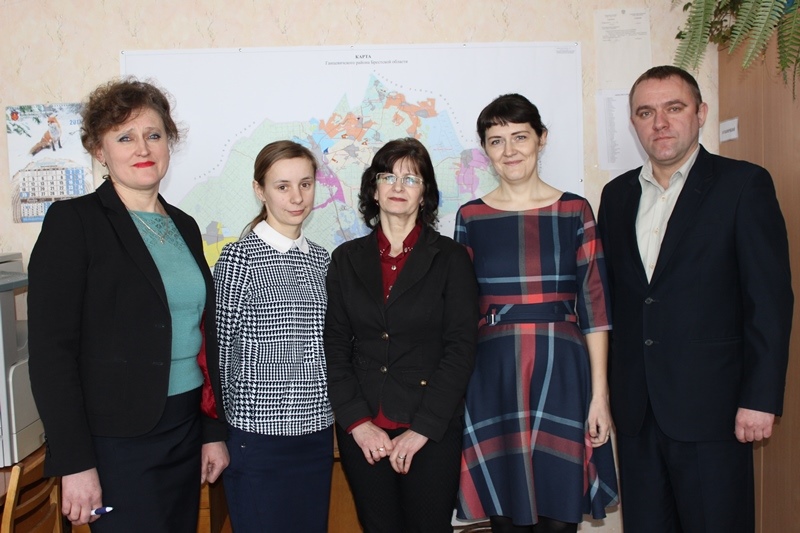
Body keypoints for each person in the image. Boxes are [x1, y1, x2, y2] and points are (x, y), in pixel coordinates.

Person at [27, 78, 229, 532]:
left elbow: (204, 335)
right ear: (99, 150)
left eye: (153, 134)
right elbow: (51, 355)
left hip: (185, 426)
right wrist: (75, 463)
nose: (142, 148)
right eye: (124, 137)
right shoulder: (73, 223)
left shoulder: (184, 225)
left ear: (169, 143)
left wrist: (212, 432)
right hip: (115, 442)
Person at [597, 65, 793, 533]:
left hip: (715, 412)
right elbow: (615, 299)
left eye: (674, 108)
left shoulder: (743, 185)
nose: (660, 123)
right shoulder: (616, 196)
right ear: (633, 122)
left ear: (701, 113)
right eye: (646, 112)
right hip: (637, 412)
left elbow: (769, 301)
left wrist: (761, 399)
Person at [455, 94, 619, 533]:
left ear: (541, 139)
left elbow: (595, 308)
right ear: (485, 150)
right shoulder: (470, 217)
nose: (509, 150)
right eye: (496, 140)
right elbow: (460, 314)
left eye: (520, 137)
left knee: (560, 516)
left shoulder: (575, 210)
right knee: (505, 517)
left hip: (563, 373)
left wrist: (599, 396)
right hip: (493, 378)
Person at [325, 138, 479, 532]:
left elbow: (461, 349)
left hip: (430, 427)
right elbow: (335, 347)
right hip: (364, 430)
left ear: (424, 193)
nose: (398, 186)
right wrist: (358, 423)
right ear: (373, 189)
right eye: (388, 177)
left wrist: (423, 428)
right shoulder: (345, 259)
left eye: (411, 179)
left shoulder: (451, 258)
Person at [213, 140, 334, 532]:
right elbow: (219, 352)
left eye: (305, 184)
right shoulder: (239, 258)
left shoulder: (322, 259)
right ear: (259, 190)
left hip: (316, 433)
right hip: (257, 438)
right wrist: (217, 432)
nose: (297, 197)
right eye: (282, 186)